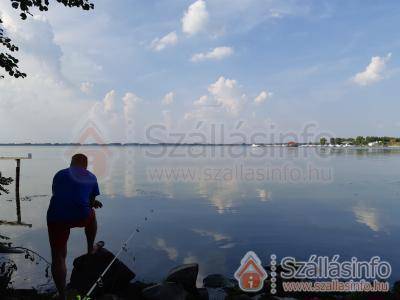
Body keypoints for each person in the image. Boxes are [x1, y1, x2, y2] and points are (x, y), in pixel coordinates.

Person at [47, 153, 103, 299]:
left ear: (71, 163)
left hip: (56, 217)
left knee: (58, 256)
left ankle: (62, 295)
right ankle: (90, 248)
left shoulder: (59, 174)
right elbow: (90, 202)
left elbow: (57, 194)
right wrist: (93, 203)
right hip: (81, 216)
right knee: (91, 216)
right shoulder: (91, 177)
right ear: (85, 165)